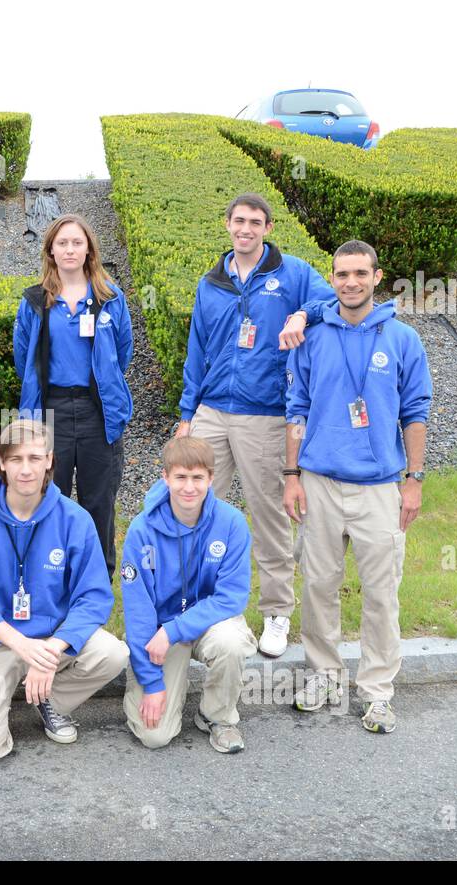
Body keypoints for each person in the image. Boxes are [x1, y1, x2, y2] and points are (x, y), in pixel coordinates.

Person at [176, 192, 334, 660]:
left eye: (255, 222)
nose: (246, 229)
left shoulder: (293, 273)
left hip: (264, 412)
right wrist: (187, 416)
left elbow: (330, 301)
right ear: (227, 224)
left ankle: (276, 611)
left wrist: (303, 313)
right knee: (195, 507)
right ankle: (201, 601)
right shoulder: (212, 282)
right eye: (238, 221)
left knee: (269, 515)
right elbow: (197, 351)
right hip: (211, 411)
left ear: (267, 228)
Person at [283, 239, 432, 735]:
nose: (350, 282)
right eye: (341, 274)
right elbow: (296, 410)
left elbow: (415, 414)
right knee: (319, 586)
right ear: (333, 277)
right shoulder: (314, 335)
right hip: (320, 481)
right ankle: (324, 676)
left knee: (381, 594)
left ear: (376, 276)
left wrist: (413, 481)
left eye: (359, 274)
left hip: (380, 487)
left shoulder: (403, 339)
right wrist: (291, 475)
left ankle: (376, 693)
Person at [0, 419, 129, 765]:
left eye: (34, 458)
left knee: (112, 653)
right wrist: (21, 644)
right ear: (1, 462)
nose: (26, 470)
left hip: (50, 641)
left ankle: (50, 700)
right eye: (16, 459)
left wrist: (51, 649)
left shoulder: (75, 520)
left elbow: (93, 597)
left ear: (49, 460)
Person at [13, 213, 133, 576]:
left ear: (88, 250)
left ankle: (97, 579)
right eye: (62, 242)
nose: (69, 249)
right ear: (50, 250)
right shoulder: (35, 301)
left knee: (99, 500)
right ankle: (51, 576)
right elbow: (24, 358)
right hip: (52, 412)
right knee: (51, 497)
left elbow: (122, 352)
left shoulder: (110, 298)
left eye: (76, 242)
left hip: (98, 411)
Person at [121, 437, 257, 752]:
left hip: (206, 622)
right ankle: (155, 690)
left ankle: (217, 717)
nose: (189, 487)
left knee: (231, 641)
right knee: (155, 737)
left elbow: (231, 597)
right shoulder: (142, 530)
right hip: (158, 632)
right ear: (165, 478)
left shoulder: (232, 523)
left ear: (211, 478)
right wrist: (152, 683)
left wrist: (175, 630)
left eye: (198, 478)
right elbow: (139, 611)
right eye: (180, 477)